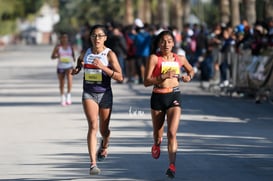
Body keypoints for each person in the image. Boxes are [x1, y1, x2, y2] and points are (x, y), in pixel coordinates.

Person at [71, 24, 123, 175]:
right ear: (90, 38)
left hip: (105, 93)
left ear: (105, 38)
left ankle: (105, 144)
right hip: (89, 94)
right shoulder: (85, 52)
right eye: (94, 35)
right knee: (93, 126)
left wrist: (103, 67)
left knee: (103, 129)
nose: (97, 38)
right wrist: (77, 69)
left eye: (100, 35)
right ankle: (93, 164)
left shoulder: (109, 54)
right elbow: (79, 62)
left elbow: (120, 77)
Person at [144, 30, 194, 178]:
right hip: (158, 97)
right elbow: (146, 81)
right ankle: (157, 144)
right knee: (158, 135)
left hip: (174, 95)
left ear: (174, 43)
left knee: (172, 133)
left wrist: (188, 77)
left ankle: (172, 165)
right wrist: (162, 76)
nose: (166, 44)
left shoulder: (180, 59)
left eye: (169, 41)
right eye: (163, 41)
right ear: (159, 43)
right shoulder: (154, 58)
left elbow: (191, 70)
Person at [51, 32, 76, 106]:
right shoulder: (58, 47)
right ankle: (62, 97)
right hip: (61, 67)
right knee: (62, 83)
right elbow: (52, 57)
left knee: (70, 80)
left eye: (66, 38)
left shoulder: (70, 46)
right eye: (63, 38)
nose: (65, 39)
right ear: (60, 39)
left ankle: (68, 95)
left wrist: (73, 61)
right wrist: (57, 56)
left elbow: (73, 56)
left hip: (69, 66)